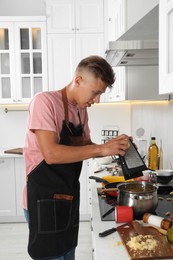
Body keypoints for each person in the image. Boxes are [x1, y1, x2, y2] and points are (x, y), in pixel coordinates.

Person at [23, 55, 130, 260]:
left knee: (67, 254)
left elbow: (86, 145)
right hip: (43, 202)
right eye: (95, 92)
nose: (97, 100)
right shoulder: (44, 102)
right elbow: (51, 154)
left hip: (68, 199)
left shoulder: (81, 110)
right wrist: (100, 150)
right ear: (78, 80)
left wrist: (112, 146)